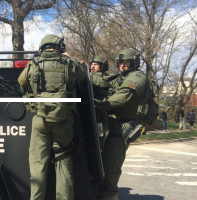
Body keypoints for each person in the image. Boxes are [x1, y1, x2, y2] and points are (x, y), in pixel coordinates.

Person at [18, 34, 87, 200]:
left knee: (38, 165)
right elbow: (83, 76)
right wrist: (71, 59)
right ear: (60, 47)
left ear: (42, 47)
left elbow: (21, 82)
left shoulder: (33, 64)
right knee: (63, 164)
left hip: (40, 121)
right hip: (63, 120)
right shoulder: (69, 64)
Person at [96, 49, 149, 200]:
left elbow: (124, 95)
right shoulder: (121, 77)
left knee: (112, 162)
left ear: (134, 63)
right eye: (120, 63)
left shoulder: (138, 77)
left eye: (126, 63)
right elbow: (103, 82)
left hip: (126, 124)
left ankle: (111, 195)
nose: (122, 66)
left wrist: (101, 106)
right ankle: (104, 191)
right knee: (106, 159)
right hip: (117, 123)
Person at [90, 56, 111, 149]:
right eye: (92, 64)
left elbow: (99, 81)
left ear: (102, 67)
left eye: (96, 64)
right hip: (88, 111)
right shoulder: (89, 76)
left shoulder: (105, 78)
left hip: (99, 113)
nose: (92, 66)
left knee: (99, 137)